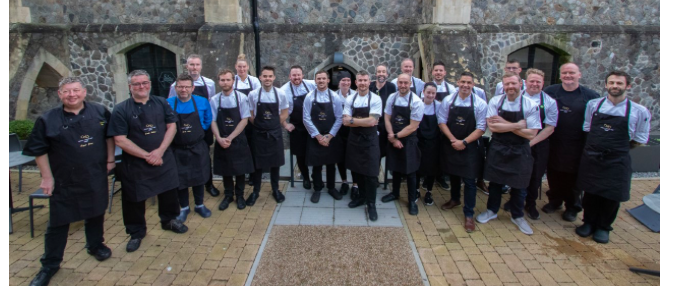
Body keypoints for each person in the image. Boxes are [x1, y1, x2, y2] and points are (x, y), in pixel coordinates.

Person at [23, 77, 114, 286]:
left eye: (75, 90)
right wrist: (46, 178)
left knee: (96, 213)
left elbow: (110, 137)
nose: (72, 95)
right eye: (66, 91)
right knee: (58, 223)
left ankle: (95, 245)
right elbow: (39, 150)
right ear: (60, 94)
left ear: (84, 92)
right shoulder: (48, 119)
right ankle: (50, 265)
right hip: (64, 181)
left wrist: (110, 159)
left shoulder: (100, 112)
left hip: (94, 176)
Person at [108, 70, 188, 253]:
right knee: (134, 200)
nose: (141, 86)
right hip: (136, 164)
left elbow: (172, 127)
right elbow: (119, 139)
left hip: (163, 159)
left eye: (144, 83)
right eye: (137, 84)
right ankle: (136, 232)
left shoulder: (161, 102)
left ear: (149, 84)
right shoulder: (121, 109)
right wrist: (147, 155)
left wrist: (159, 152)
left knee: (169, 192)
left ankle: (169, 220)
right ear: (130, 87)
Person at [575, 71, 650, 243]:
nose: (615, 86)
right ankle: (588, 222)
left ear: (627, 86)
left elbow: (639, 138)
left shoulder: (639, 111)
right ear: (606, 85)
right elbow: (587, 128)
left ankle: (603, 227)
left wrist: (615, 149)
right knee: (590, 192)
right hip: (593, 157)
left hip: (617, 159)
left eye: (619, 83)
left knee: (612, 195)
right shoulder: (594, 105)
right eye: (612, 83)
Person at [477, 71, 541, 235]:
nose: (510, 87)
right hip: (499, 146)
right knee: (495, 183)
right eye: (507, 84)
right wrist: (518, 125)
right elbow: (493, 127)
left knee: (519, 185)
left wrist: (504, 123)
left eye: (513, 83)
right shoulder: (496, 101)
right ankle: (492, 210)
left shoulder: (530, 104)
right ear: (503, 86)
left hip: (520, 149)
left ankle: (517, 215)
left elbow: (532, 134)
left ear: (521, 84)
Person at [542, 63, 600, 222]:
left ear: (579, 75)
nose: (568, 76)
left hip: (577, 144)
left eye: (572, 73)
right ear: (560, 75)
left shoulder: (590, 96)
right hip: (554, 141)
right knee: (553, 173)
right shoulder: (550, 92)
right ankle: (554, 201)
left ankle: (573, 206)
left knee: (573, 177)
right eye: (565, 73)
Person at [503, 69, 558, 220]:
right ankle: (514, 200)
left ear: (543, 83)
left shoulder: (549, 102)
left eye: (538, 82)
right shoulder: (514, 98)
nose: (534, 84)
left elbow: (550, 127)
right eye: (531, 81)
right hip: (516, 141)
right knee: (515, 172)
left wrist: (531, 142)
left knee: (535, 176)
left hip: (539, 144)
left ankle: (530, 204)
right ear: (525, 82)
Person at [437, 72, 488, 232]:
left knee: (470, 180)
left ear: (473, 85)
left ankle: (469, 214)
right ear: (458, 82)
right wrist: (453, 140)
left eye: (469, 83)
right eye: (463, 82)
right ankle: (454, 199)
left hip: (470, 145)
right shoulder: (448, 100)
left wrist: (464, 142)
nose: (465, 85)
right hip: (452, 143)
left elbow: (481, 127)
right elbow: (441, 121)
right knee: (453, 173)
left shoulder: (480, 103)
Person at [169, 54, 221, 197]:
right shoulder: (175, 86)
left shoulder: (209, 83)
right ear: (187, 66)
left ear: (201, 66)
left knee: (204, 158)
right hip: (181, 129)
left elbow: (209, 104)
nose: (194, 67)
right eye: (191, 64)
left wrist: (202, 128)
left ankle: (208, 184)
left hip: (201, 128)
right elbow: (171, 105)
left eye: (197, 65)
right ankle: (185, 185)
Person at [167, 73, 213, 222]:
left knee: (199, 177)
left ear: (192, 88)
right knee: (181, 179)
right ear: (175, 87)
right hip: (177, 148)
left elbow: (207, 121)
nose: (183, 90)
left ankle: (199, 205)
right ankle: (184, 207)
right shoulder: (168, 103)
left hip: (197, 146)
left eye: (187, 86)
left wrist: (196, 134)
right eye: (180, 86)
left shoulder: (202, 102)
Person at [211, 69, 255, 210]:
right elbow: (212, 121)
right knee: (226, 170)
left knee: (240, 170)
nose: (225, 82)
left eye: (228, 79)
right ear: (219, 81)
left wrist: (230, 137)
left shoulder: (241, 98)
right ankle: (228, 195)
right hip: (221, 140)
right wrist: (218, 138)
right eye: (222, 80)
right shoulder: (214, 99)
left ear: (233, 81)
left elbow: (244, 120)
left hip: (237, 139)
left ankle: (240, 195)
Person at [381, 73, 423, 215]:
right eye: (401, 82)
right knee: (395, 168)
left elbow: (413, 126)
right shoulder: (392, 98)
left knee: (410, 172)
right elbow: (387, 117)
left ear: (410, 83)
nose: (403, 85)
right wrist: (392, 138)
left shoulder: (416, 101)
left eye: (406, 83)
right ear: (397, 83)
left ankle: (412, 201)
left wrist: (396, 136)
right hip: (393, 137)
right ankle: (395, 193)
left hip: (409, 140)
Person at [343, 70, 383, 221]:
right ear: (356, 82)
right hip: (354, 140)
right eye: (360, 80)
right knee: (357, 171)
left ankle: (371, 204)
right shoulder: (350, 98)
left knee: (371, 174)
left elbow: (372, 121)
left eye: (365, 80)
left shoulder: (375, 99)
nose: (362, 83)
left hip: (370, 140)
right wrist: (364, 121)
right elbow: (344, 121)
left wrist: (353, 121)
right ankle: (361, 197)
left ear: (369, 82)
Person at [248, 66, 289, 205]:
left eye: (270, 76)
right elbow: (251, 115)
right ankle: (255, 192)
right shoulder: (253, 94)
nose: (267, 79)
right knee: (258, 164)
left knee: (275, 164)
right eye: (265, 76)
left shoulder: (280, 94)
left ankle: (275, 190)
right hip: (259, 134)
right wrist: (261, 126)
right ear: (260, 77)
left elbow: (285, 112)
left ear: (274, 78)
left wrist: (273, 124)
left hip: (275, 134)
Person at [303, 70, 345, 203]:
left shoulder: (335, 97)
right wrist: (318, 136)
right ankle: (317, 189)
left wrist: (330, 136)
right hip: (316, 136)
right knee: (317, 165)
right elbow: (306, 118)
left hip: (331, 136)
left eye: (323, 78)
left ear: (328, 80)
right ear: (315, 81)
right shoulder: (309, 97)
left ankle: (332, 188)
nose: (321, 81)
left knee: (331, 163)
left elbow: (339, 118)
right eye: (318, 79)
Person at [280, 66, 317, 189]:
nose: (296, 78)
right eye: (294, 75)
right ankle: (306, 177)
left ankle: (316, 177)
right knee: (300, 154)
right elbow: (278, 111)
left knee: (315, 151)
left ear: (303, 75)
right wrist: (285, 124)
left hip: (313, 125)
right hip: (297, 126)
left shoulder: (311, 84)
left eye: (298, 75)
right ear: (289, 76)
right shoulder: (284, 91)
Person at [427, 61, 457, 190]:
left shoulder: (451, 89)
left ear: (445, 73)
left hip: (445, 124)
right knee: (431, 153)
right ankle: (428, 178)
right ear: (432, 72)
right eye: (436, 70)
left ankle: (441, 177)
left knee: (443, 152)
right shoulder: (426, 87)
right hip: (431, 123)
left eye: (440, 70)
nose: (438, 73)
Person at [233, 54, 261, 187]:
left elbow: (257, 99)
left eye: (244, 67)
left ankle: (252, 174)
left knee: (252, 146)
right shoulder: (232, 80)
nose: (242, 69)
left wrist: (253, 118)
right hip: (237, 118)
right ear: (236, 67)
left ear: (248, 67)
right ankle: (240, 172)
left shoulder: (254, 81)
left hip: (250, 118)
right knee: (239, 147)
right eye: (239, 67)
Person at [369, 63, 398, 191]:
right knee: (372, 152)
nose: (381, 74)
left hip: (386, 125)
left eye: (383, 72)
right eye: (379, 72)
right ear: (376, 74)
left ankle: (386, 177)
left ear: (387, 74)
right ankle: (373, 177)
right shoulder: (370, 86)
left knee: (384, 151)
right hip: (371, 124)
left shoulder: (391, 87)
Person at [415, 82, 441, 206]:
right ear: (423, 92)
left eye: (433, 93)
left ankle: (429, 192)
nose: (430, 95)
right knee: (417, 167)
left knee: (431, 169)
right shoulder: (417, 104)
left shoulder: (439, 106)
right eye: (428, 92)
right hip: (419, 141)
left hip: (434, 143)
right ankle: (416, 190)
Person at [336, 75, 359, 198]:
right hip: (339, 132)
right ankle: (344, 182)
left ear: (351, 82)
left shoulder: (356, 95)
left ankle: (355, 184)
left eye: (348, 80)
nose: (345, 82)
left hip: (353, 131)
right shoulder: (334, 96)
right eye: (343, 80)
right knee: (341, 159)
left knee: (354, 158)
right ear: (338, 82)